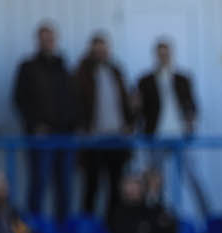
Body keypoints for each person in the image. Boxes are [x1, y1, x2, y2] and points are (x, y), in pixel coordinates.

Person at [135, 37, 207, 217]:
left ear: (171, 54)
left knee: (192, 177)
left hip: (179, 135)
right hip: (156, 135)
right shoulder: (145, 80)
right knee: (154, 179)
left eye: (166, 53)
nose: (163, 56)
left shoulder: (183, 78)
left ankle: (207, 216)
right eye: (160, 53)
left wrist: (190, 121)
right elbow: (139, 109)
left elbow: (192, 104)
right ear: (156, 55)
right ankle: (154, 215)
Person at [13, 23, 76, 220]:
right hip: (41, 136)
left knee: (64, 185)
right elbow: (19, 99)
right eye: (44, 38)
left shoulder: (63, 66)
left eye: (51, 38)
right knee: (39, 183)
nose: (48, 42)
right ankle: (35, 228)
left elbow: (73, 99)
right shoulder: (28, 67)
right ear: (38, 41)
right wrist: (34, 126)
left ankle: (63, 231)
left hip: (65, 136)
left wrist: (74, 125)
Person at [72, 33, 135, 214]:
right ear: (91, 50)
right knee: (91, 185)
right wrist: (83, 127)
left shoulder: (115, 71)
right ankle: (87, 228)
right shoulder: (82, 73)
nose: (101, 53)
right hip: (94, 139)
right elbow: (74, 103)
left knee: (116, 186)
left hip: (116, 138)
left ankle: (113, 226)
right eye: (97, 49)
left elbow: (125, 100)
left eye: (104, 49)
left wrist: (129, 122)